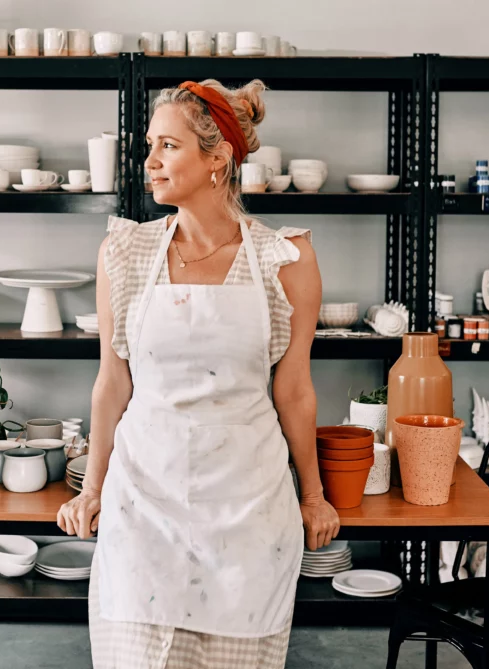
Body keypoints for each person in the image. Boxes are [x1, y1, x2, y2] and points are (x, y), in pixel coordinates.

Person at [57, 77, 340, 668]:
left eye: (169, 146)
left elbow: (293, 391)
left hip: (248, 506)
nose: (150, 162)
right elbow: (114, 383)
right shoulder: (126, 253)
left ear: (218, 158)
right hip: (144, 501)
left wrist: (313, 498)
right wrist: (92, 489)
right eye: (149, 146)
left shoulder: (284, 259)